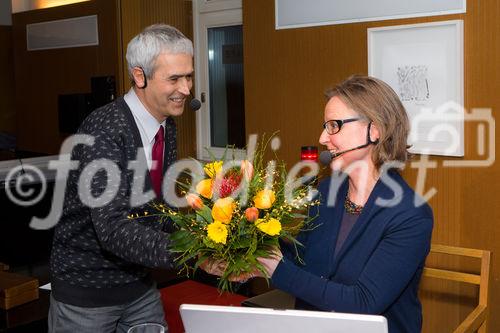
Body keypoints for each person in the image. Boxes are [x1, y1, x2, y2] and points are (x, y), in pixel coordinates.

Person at [208, 75, 433, 333]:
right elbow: (304, 261)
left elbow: (362, 302)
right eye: (325, 126)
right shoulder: (327, 191)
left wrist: (275, 269)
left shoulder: (411, 215)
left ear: (375, 130)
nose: (323, 137)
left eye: (334, 126)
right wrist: (251, 256)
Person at [48, 24, 194, 332]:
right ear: (139, 76)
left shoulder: (167, 124)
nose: (186, 89)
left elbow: (158, 209)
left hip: (139, 286)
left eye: (188, 76)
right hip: (86, 296)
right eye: (174, 79)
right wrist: (193, 252)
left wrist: (211, 234)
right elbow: (113, 229)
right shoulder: (103, 130)